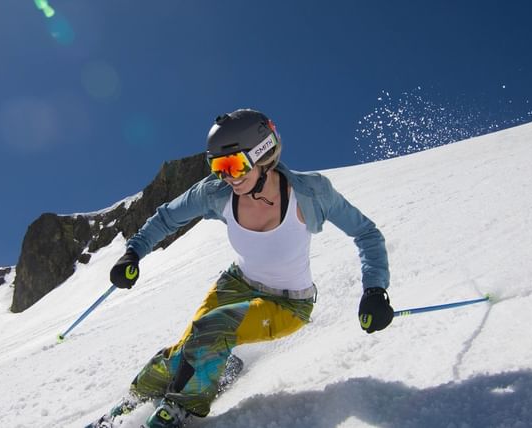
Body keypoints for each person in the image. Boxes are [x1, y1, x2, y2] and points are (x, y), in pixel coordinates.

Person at [103, 108, 393, 428]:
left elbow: (366, 234)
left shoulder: (309, 194)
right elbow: (167, 217)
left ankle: (181, 409)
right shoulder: (218, 194)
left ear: (263, 154)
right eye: (218, 167)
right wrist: (132, 253)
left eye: (234, 165)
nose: (227, 177)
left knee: (212, 329)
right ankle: (134, 400)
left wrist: (375, 289)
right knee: (184, 351)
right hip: (235, 283)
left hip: (289, 304)